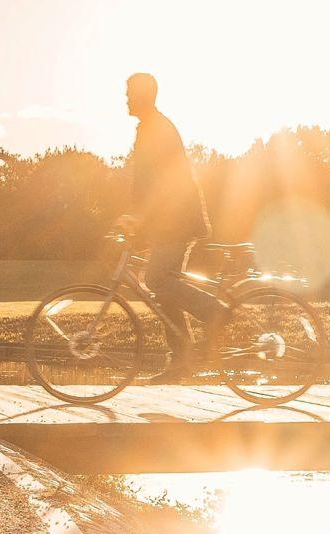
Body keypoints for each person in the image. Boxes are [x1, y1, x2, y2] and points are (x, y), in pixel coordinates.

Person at [118, 72, 228, 376]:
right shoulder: (150, 127)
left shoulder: (157, 128)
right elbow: (145, 184)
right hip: (168, 221)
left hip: (177, 220)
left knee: (155, 279)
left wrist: (140, 216)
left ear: (143, 95)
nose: (125, 97)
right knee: (163, 288)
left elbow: (162, 182)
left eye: (128, 92)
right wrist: (137, 218)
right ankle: (182, 360)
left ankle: (215, 313)